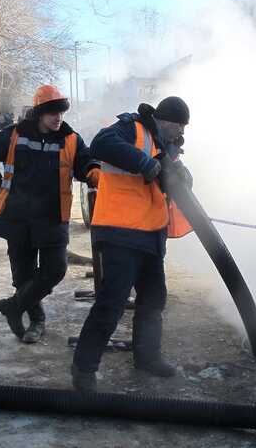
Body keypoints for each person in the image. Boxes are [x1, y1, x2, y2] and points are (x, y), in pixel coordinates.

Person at [71, 96, 193, 392]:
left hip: (150, 234)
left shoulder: (166, 148)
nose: (181, 134)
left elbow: (172, 180)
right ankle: (84, 368)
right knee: (111, 303)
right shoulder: (131, 128)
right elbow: (101, 144)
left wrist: (184, 177)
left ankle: (147, 357)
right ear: (166, 121)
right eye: (179, 127)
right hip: (120, 231)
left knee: (153, 300)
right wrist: (145, 165)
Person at [0, 85, 99, 344]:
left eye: (61, 113)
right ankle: (36, 320)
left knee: (55, 269)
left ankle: (14, 306)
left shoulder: (71, 139)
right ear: (40, 114)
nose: (58, 118)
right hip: (17, 217)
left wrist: (92, 172)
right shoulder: (13, 136)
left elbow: (85, 163)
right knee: (22, 274)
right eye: (52, 113)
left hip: (52, 216)